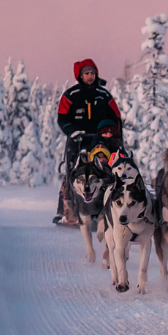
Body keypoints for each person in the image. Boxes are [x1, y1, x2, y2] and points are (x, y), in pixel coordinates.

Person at [53, 59, 124, 224]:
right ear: (80, 75)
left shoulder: (104, 95)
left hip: (102, 140)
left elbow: (116, 118)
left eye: (92, 73)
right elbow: (62, 119)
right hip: (77, 140)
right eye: (87, 73)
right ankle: (69, 210)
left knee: (108, 171)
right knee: (73, 172)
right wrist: (72, 132)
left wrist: (113, 135)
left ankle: (111, 207)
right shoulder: (70, 96)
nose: (90, 76)